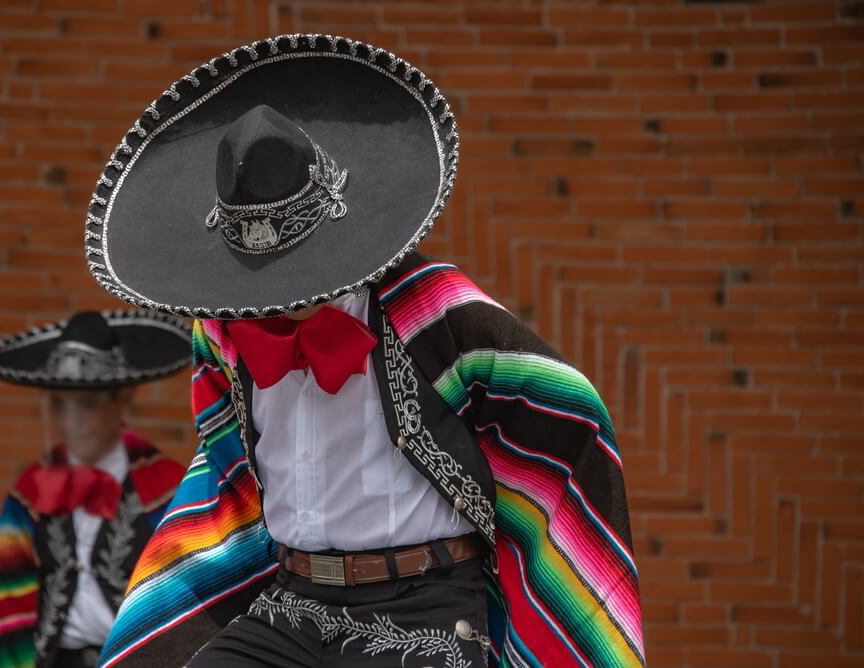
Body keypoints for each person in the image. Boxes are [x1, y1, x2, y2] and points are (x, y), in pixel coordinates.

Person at [85, 35, 645, 668]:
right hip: (292, 607)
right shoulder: (222, 335)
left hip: (421, 613)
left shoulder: (431, 309)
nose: (268, 298)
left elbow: (568, 406)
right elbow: (227, 467)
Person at [0, 311, 190, 668]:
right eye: (58, 403)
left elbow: (190, 601)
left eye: (85, 403)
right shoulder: (30, 494)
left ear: (122, 396)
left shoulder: (170, 491)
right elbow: (3, 601)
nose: (69, 421)